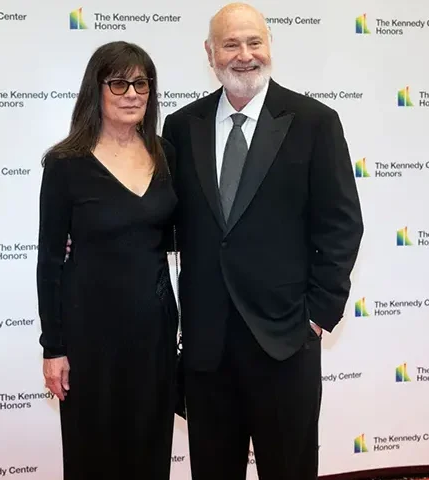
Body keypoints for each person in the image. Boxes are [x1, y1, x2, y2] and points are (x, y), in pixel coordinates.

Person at [161, 3, 364, 479]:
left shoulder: (314, 122)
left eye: (254, 42)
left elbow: (341, 224)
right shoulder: (180, 127)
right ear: (210, 53)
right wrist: (90, 242)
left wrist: (317, 316)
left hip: (286, 341)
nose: (244, 55)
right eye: (231, 44)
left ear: (270, 46)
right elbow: (168, 221)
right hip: (207, 349)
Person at [35, 41, 179, 480]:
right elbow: (49, 261)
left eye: (142, 83)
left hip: (154, 331)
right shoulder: (65, 163)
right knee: (92, 453)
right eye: (119, 83)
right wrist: (54, 347)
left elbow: (179, 235)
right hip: (88, 337)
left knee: (149, 447)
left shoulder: (164, 154)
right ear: (95, 89)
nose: (132, 93)